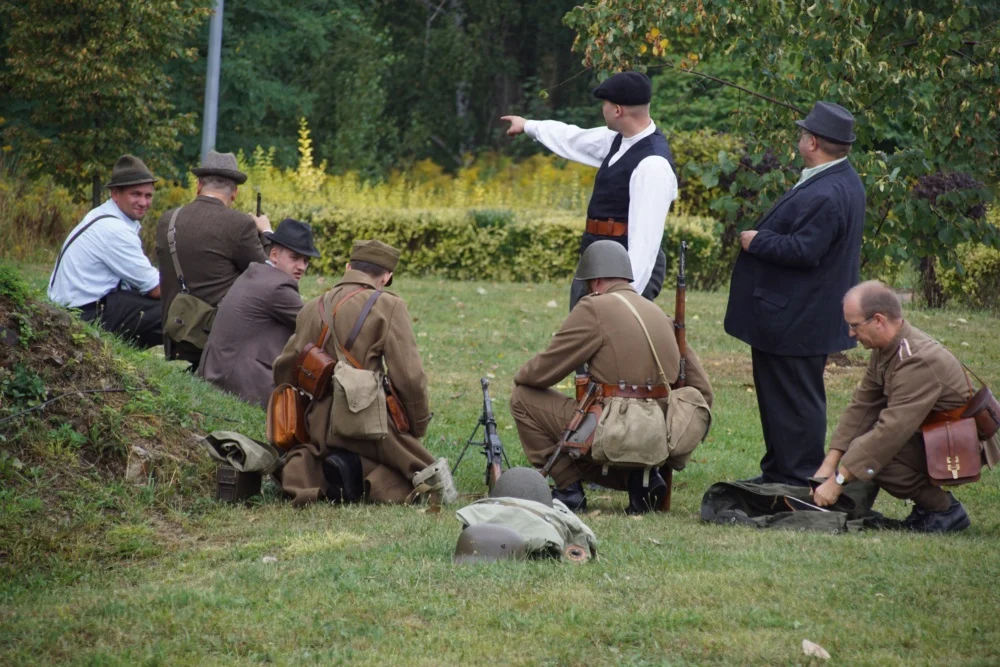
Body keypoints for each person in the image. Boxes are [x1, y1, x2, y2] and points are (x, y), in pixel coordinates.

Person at [510, 241, 713, 514]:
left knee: (522, 398)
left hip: (615, 434)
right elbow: (703, 391)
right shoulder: (660, 315)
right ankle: (640, 479)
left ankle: (569, 489)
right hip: (659, 438)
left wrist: (521, 374)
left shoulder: (593, 307)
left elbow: (542, 373)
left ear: (594, 281)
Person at [724, 101, 865, 486]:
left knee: (796, 401)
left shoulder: (828, 192)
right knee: (780, 399)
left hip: (798, 317)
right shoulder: (838, 177)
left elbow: (806, 250)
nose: (799, 139)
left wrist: (758, 241)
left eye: (803, 134)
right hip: (796, 313)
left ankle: (800, 476)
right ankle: (779, 471)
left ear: (813, 142)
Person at [272, 240, 455, 506]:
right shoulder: (388, 305)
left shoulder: (312, 307)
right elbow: (410, 378)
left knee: (312, 453)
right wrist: (415, 426)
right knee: (421, 476)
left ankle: (329, 473)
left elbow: (284, 370)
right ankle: (358, 474)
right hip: (367, 424)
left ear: (349, 268)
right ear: (386, 277)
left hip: (319, 426)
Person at [811, 281, 999, 532]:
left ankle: (943, 510)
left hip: (960, 445)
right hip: (934, 434)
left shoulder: (917, 360)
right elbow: (863, 406)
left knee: (877, 457)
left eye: (854, 325)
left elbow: (890, 433)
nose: (850, 333)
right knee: (865, 449)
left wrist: (838, 480)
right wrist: (829, 464)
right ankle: (932, 507)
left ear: (879, 320)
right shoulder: (888, 347)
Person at [501, 71, 676, 310]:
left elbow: (645, 242)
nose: (602, 109)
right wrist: (528, 126)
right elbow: (573, 138)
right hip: (596, 259)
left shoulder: (653, 165)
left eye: (605, 104)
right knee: (582, 328)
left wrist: (624, 296)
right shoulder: (618, 139)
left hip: (623, 273)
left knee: (614, 332)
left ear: (617, 110)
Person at [155, 150, 272, 369]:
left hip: (176, 330)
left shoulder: (167, 220)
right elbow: (266, 275)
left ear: (199, 185)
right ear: (235, 193)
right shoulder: (240, 224)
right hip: (215, 338)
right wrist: (266, 232)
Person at [197, 218, 320, 408]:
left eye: (306, 261)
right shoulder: (279, 286)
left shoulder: (256, 272)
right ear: (274, 255)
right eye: (295, 257)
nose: (302, 267)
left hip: (215, 374)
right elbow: (315, 325)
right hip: (239, 388)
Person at [47, 155, 163, 348]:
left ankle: (121, 351)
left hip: (71, 307)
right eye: (136, 194)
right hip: (80, 315)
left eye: (148, 196)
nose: (143, 202)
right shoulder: (115, 230)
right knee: (172, 311)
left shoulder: (102, 215)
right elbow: (155, 288)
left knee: (148, 301)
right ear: (115, 194)